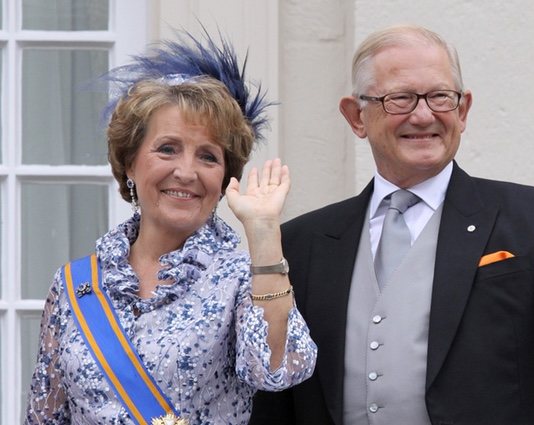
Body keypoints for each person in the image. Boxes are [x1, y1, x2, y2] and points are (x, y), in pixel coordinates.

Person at [249, 24, 534, 425]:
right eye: (401, 99)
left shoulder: (533, 219)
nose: (424, 115)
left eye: (440, 97)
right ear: (356, 117)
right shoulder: (305, 242)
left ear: (463, 109)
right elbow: (276, 392)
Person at [25, 30, 316, 424]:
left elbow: (277, 370)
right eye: (167, 149)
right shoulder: (76, 284)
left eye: (208, 157)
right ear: (129, 162)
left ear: (225, 178)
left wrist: (264, 232)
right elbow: (45, 417)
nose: (186, 172)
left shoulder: (240, 280)